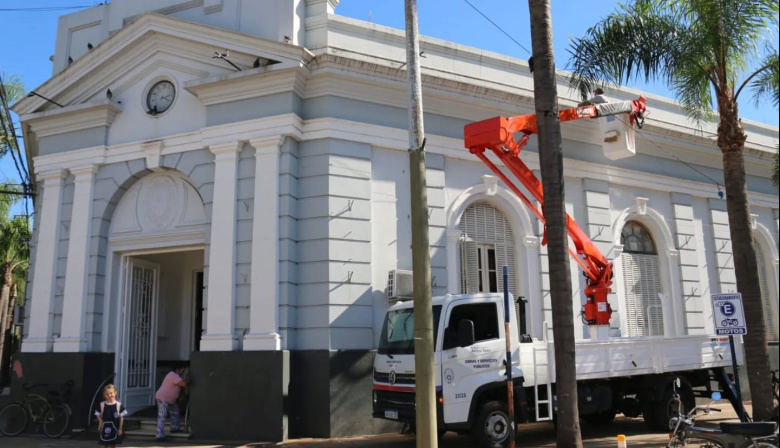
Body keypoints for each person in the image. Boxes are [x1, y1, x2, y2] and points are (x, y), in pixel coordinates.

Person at [155, 364, 188, 441]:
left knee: (175, 412)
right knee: (162, 416)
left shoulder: (176, 376)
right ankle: (159, 435)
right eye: (182, 370)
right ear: (177, 369)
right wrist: (188, 377)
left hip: (171, 400)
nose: (182, 372)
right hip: (163, 399)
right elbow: (184, 384)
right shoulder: (173, 375)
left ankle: (175, 427)